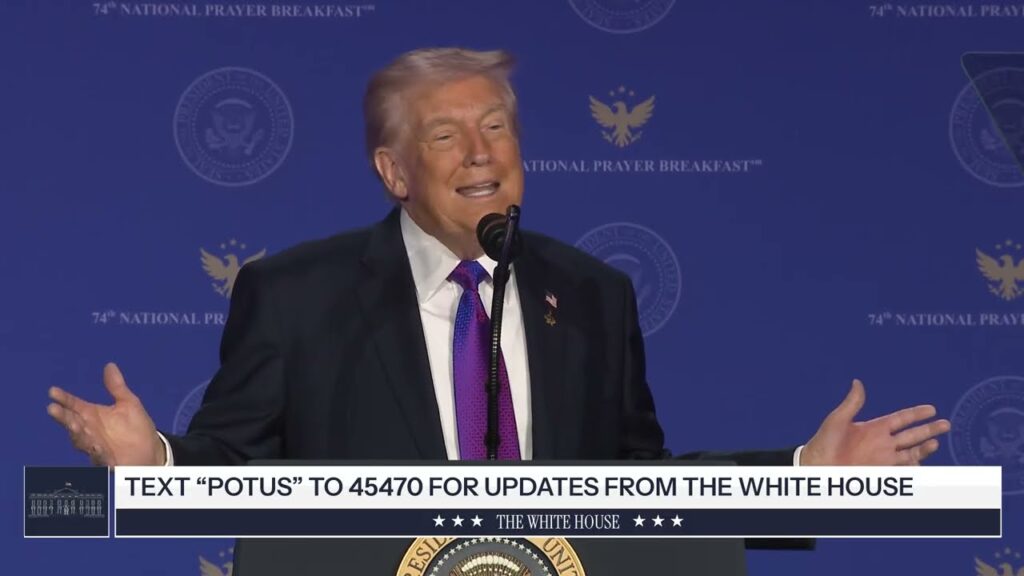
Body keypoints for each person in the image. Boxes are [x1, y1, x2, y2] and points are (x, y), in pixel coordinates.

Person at [46, 47, 949, 471]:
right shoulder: (294, 296)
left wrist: (801, 477)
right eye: (448, 135)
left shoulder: (593, 293)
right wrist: (154, 464)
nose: (483, 154)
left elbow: (631, 486)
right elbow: (238, 466)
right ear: (393, 170)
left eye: (497, 128)